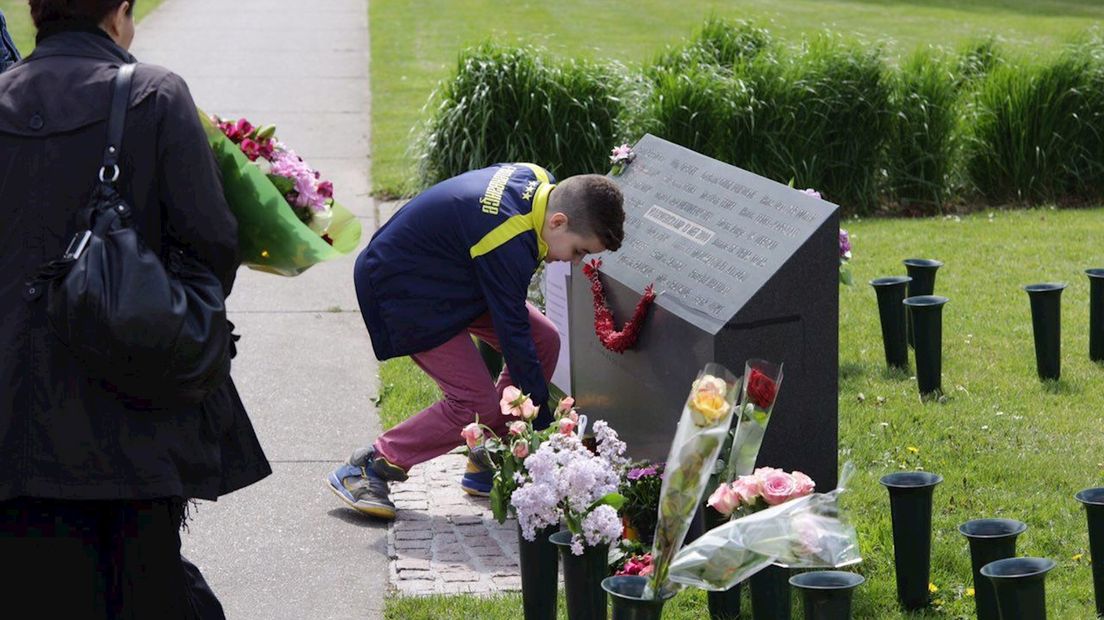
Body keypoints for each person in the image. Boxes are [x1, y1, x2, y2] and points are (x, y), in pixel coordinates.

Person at [0, 1, 270, 617]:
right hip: (133, 407)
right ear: (120, 13)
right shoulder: (152, 94)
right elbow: (212, 241)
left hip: (13, 417)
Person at [327, 164, 625, 520]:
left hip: (451, 276)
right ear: (558, 222)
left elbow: (520, 330)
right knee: (474, 404)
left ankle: (489, 458)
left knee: (544, 339)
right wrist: (541, 422)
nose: (573, 262)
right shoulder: (507, 239)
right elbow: (512, 331)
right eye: (578, 251)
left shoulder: (537, 182)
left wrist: (530, 420)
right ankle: (369, 464)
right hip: (403, 287)